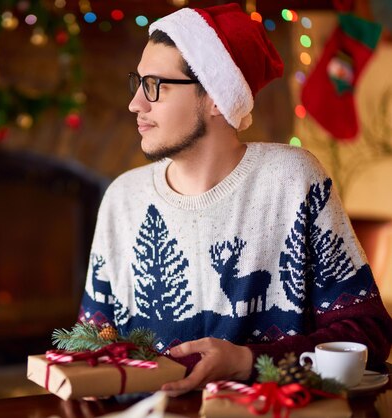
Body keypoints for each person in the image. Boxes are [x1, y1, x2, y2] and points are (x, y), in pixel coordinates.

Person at [78, 3, 392, 396]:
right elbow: (90, 339)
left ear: (214, 97)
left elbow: (369, 335)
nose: (136, 104)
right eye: (136, 82)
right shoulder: (121, 197)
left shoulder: (292, 180)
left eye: (155, 85)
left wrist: (247, 361)